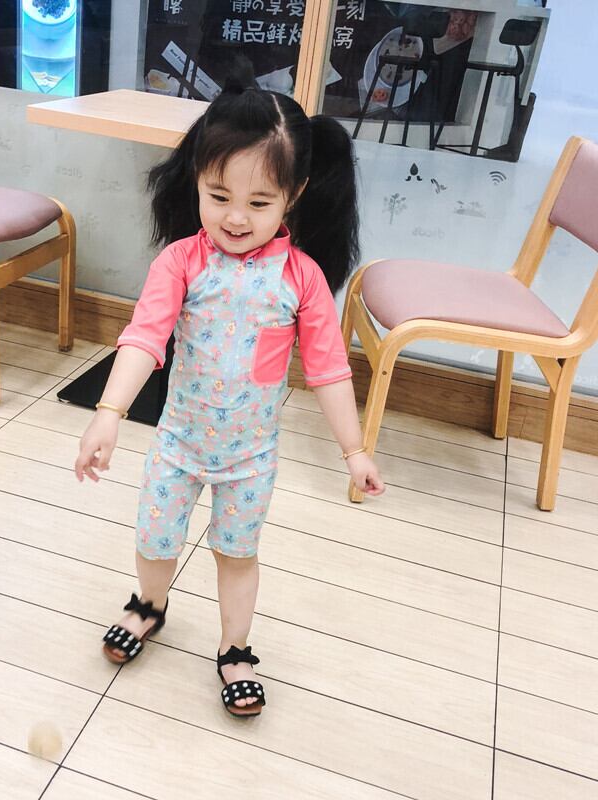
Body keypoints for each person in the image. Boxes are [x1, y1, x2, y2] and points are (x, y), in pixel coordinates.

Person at [74, 85, 384, 718]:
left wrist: (354, 451)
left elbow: (328, 370)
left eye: (259, 203)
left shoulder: (302, 279)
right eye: (219, 197)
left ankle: (235, 650)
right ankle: (149, 605)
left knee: (238, 554)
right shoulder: (181, 262)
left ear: (294, 195)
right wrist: (108, 414)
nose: (236, 217)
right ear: (197, 180)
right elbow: (144, 338)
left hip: (250, 458)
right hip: (177, 444)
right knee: (155, 539)